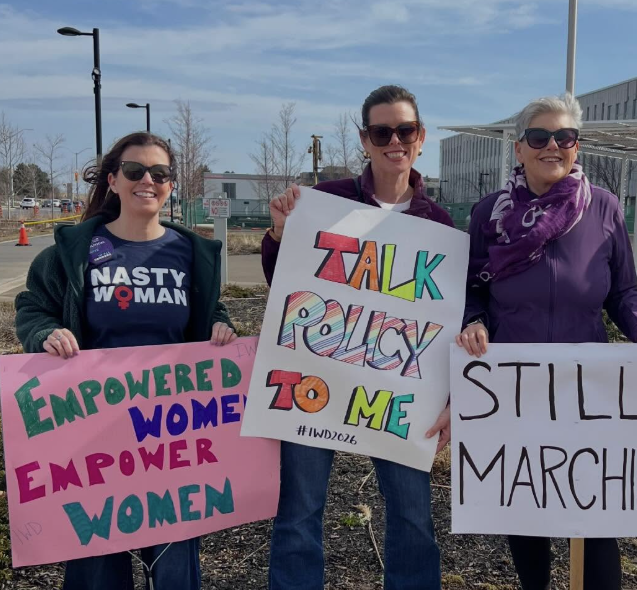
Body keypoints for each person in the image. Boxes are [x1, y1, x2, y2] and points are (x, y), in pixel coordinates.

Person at [456, 94, 637, 590]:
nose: (552, 146)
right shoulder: (488, 215)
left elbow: (624, 291)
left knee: (594, 515)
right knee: (524, 507)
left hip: (587, 390)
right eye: (539, 137)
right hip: (513, 386)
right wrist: (474, 320)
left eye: (563, 137)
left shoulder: (604, 209)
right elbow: (472, 288)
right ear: (519, 149)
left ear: (575, 147)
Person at [15, 131, 237, 590]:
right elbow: (34, 307)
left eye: (160, 173)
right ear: (114, 180)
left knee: (175, 564)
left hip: (173, 429)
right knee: (97, 564)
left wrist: (221, 326)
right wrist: (44, 333)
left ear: (171, 184)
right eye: (135, 171)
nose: (148, 181)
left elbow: (208, 310)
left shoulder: (191, 252)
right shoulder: (75, 251)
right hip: (95, 427)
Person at [261, 85, 453, 590]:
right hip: (315, 377)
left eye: (405, 130)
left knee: (412, 514)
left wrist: (449, 389)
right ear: (365, 139)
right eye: (382, 131)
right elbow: (284, 280)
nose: (395, 140)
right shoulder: (327, 203)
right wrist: (281, 233)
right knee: (300, 510)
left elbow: (448, 316)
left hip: (398, 392)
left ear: (421, 137)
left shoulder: (438, 224)